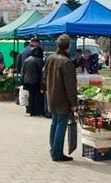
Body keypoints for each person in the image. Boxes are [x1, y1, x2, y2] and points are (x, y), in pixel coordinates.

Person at [42, 34, 77, 162]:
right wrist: (74, 102)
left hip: (51, 96)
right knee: (61, 124)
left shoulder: (50, 58)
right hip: (62, 98)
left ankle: (53, 150)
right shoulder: (66, 62)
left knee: (55, 123)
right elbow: (70, 85)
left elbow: (45, 77)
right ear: (68, 46)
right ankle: (57, 153)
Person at [22, 47, 45, 116]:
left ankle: (30, 110)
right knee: (37, 96)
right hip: (36, 81)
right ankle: (37, 110)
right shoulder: (39, 61)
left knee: (30, 96)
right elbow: (42, 72)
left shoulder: (26, 60)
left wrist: (22, 80)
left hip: (27, 80)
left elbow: (23, 71)